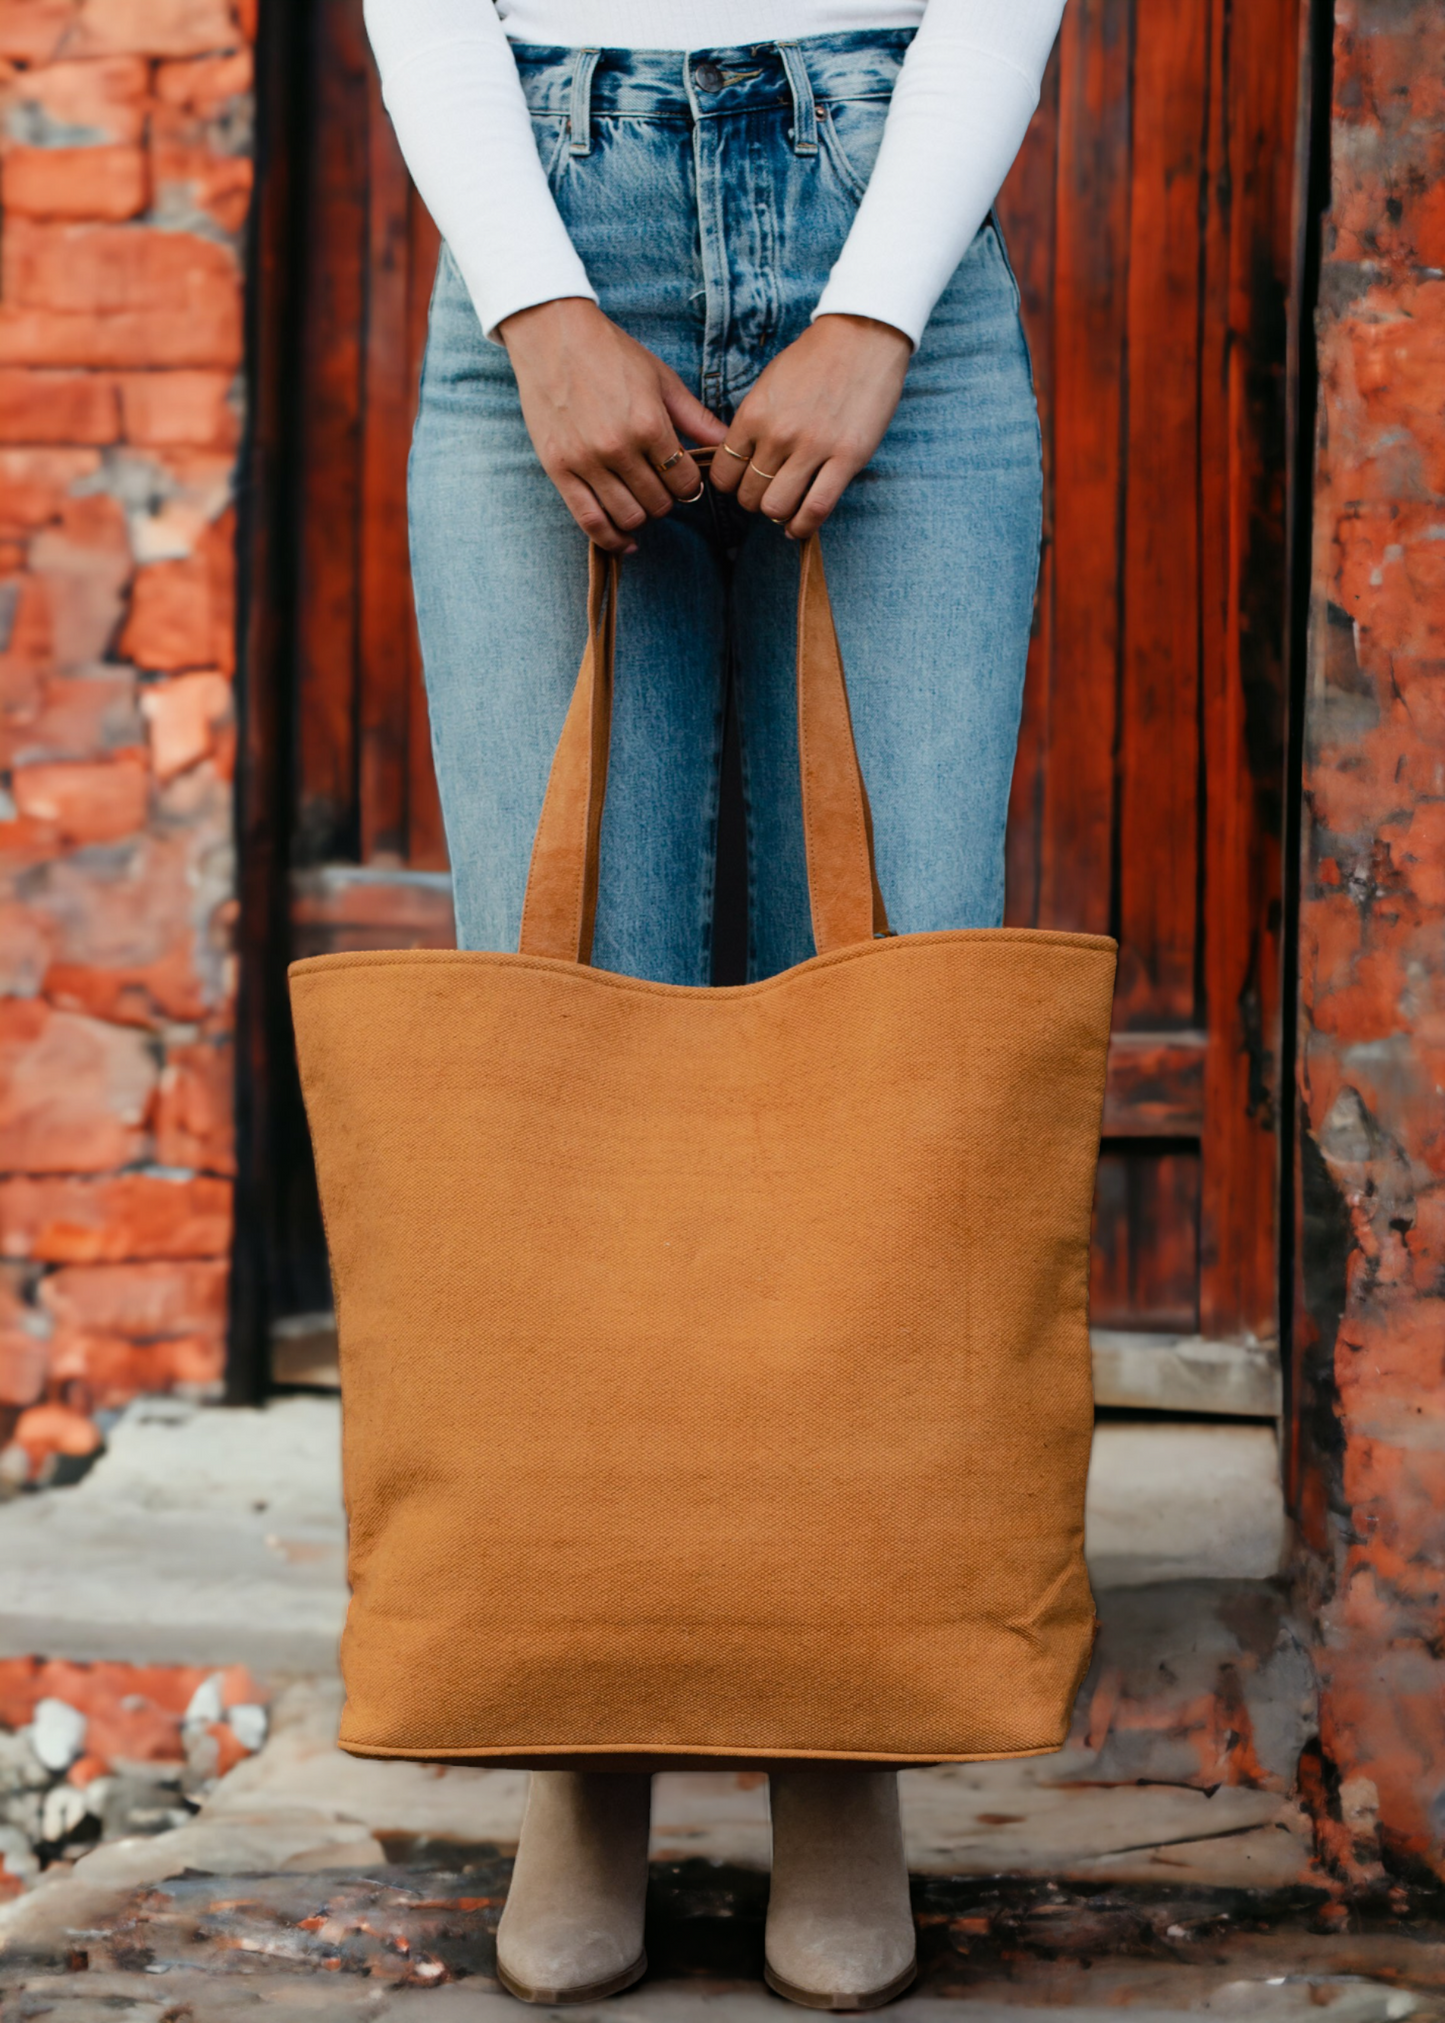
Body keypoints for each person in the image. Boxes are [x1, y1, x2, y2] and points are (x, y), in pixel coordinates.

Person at [362, 0, 1065, 2006]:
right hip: (545, 231)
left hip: (886, 233)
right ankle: (577, 1747)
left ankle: (842, 1748)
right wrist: (535, 303)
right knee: (557, 1017)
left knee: (904, 1021)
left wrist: (874, 309)